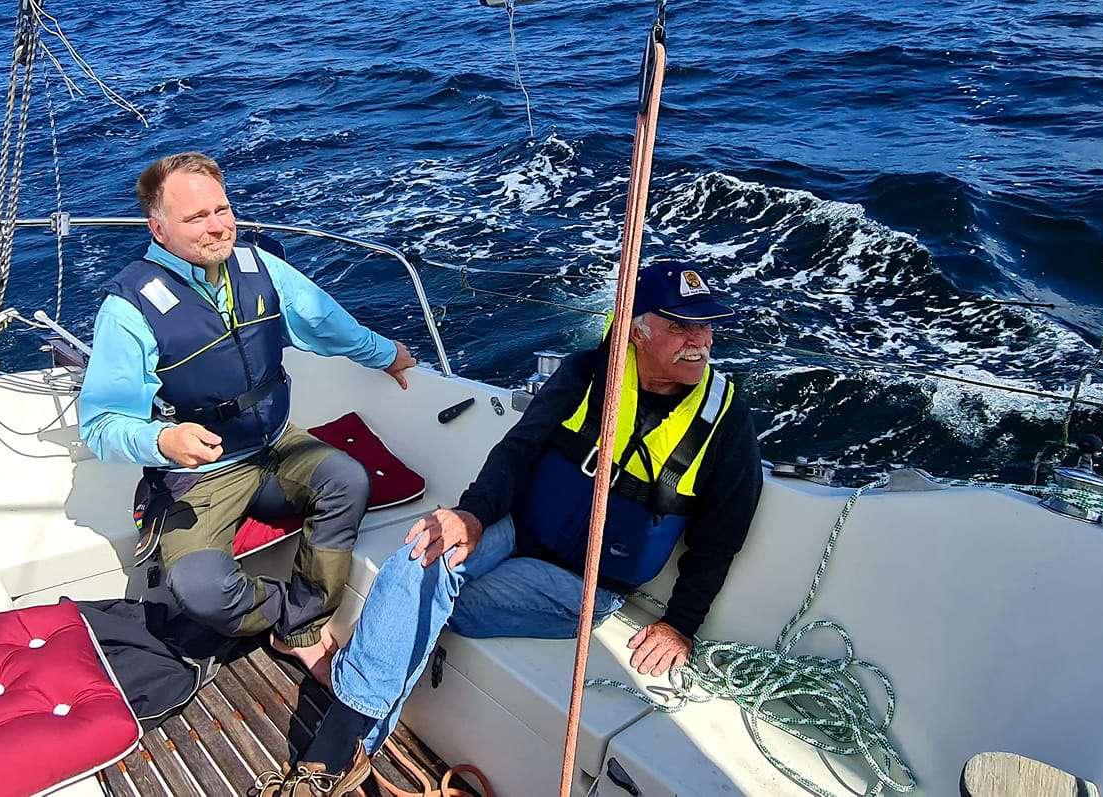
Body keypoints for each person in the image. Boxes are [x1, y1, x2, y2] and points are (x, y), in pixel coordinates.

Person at [265, 261, 764, 793]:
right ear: (636, 330)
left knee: (423, 601)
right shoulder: (588, 372)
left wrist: (680, 624)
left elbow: (722, 535)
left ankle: (336, 741)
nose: (700, 341)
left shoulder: (725, 419)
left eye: (706, 326)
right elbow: (518, 450)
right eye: (681, 326)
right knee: (419, 555)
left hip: (585, 584)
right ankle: (344, 747)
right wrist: (474, 515)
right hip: (519, 528)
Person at [79, 151, 418, 682]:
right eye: (196, 217)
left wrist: (385, 354)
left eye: (222, 210)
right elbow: (100, 425)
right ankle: (283, 611)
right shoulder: (128, 310)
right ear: (158, 229)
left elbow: (324, 321)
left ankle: (301, 628)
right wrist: (163, 440)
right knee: (200, 591)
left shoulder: (260, 267)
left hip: (277, 445)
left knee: (347, 480)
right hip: (201, 475)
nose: (217, 227)